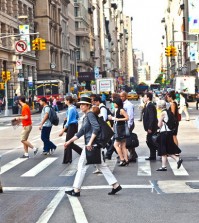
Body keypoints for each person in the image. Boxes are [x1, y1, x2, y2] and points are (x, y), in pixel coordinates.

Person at [64, 97, 122, 196]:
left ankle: (76, 189)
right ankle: (116, 185)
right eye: (80, 104)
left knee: (81, 166)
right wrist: (69, 141)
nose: (81, 106)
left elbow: (96, 128)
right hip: (93, 144)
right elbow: (81, 132)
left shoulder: (90, 114)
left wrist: (90, 142)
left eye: (83, 104)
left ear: (88, 106)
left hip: (91, 145)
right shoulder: (86, 116)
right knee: (101, 166)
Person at [156, 100, 183, 171]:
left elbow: (159, 125)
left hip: (164, 133)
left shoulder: (162, 113)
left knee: (163, 149)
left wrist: (159, 124)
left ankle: (164, 166)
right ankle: (177, 160)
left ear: (159, 106)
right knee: (167, 150)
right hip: (169, 132)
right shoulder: (168, 111)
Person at [59, 96, 82, 164]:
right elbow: (77, 116)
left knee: (69, 143)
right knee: (69, 143)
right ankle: (67, 159)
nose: (64, 101)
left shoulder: (71, 109)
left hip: (71, 126)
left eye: (65, 100)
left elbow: (69, 121)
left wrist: (62, 131)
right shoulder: (73, 107)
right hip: (73, 126)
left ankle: (82, 153)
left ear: (68, 101)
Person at [109, 98, 129, 166]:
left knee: (116, 145)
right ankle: (126, 160)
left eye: (114, 103)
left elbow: (127, 118)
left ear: (117, 103)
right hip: (119, 128)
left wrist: (118, 119)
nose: (113, 104)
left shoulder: (121, 110)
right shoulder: (116, 109)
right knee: (123, 145)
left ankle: (122, 159)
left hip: (120, 129)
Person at [120, 92, 137, 162]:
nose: (121, 98)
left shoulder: (129, 105)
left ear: (126, 96)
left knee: (127, 140)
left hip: (128, 124)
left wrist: (129, 126)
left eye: (122, 96)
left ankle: (132, 155)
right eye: (120, 96)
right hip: (124, 124)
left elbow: (130, 116)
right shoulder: (122, 104)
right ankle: (133, 154)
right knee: (126, 140)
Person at [143, 92, 158, 160]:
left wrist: (150, 127)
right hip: (150, 127)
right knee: (150, 141)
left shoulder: (150, 105)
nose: (143, 98)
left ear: (148, 98)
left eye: (145, 97)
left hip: (152, 127)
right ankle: (153, 155)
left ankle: (160, 152)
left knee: (150, 140)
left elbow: (152, 117)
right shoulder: (147, 105)